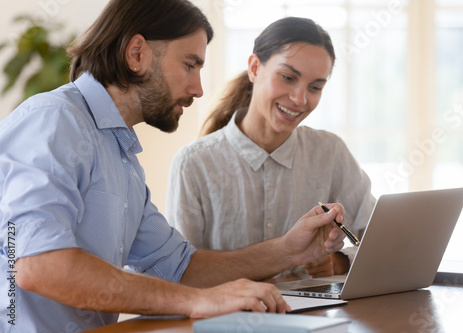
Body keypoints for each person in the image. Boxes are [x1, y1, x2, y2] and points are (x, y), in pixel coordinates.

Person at [0, 2, 347, 332]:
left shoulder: (122, 159)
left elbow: (179, 267)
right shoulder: (53, 119)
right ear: (137, 54)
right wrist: (199, 301)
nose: (197, 89)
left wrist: (288, 249)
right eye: (190, 65)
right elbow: (39, 265)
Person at [166, 17, 376, 278]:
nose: (300, 99)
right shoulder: (194, 164)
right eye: (288, 77)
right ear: (254, 68)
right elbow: (178, 271)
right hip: (224, 318)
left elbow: (380, 242)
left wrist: (338, 262)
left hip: (314, 319)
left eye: (315, 87)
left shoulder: (330, 153)